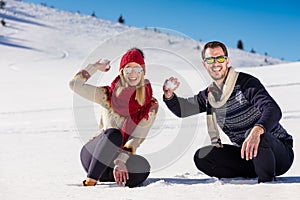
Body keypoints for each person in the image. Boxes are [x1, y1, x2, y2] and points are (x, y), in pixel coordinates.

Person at [162, 41, 293, 183]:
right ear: (204, 64)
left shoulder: (246, 83)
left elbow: (272, 109)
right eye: (210, 60)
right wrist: (169, 95)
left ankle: (267, 186)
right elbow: (183, 109)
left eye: (219, 58)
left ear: (227, 61)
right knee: (203, 157)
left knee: (256, 135)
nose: (215, 63)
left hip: (278, 154)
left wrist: (257, 130)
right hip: (248, 155)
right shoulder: (210, 95)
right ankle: (246, 178)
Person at [69, 48, 159, 187]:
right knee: (114, 134)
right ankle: (90, 181)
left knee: (142, 167)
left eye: (137, 69)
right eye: (128, 68)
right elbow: (75, 85)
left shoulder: (150, 104)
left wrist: (121, 161)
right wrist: (94, 68)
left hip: (115, 160)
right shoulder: (108, 95)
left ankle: (114, 176)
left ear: (142, 72)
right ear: (122, 71)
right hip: (94, 154)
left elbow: (137, 137)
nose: (133, 73)